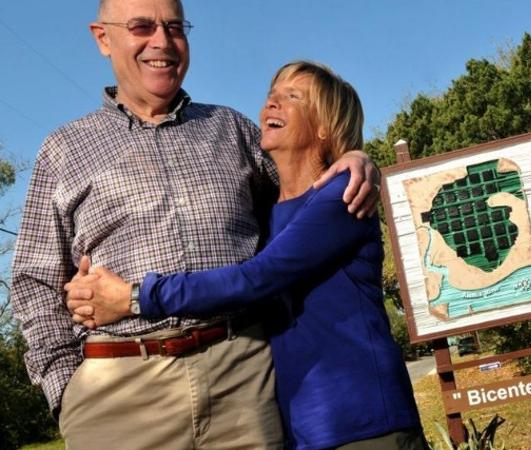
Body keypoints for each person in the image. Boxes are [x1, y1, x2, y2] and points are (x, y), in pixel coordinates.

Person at [10, 0, 380, 448]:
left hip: (243, 379)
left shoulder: (234, 130)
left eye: (174, 27)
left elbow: (301, 201)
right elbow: (35, 280)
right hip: (119, 389)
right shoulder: (63, 149)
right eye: (142, 27)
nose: (162, 42)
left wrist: (353, 157)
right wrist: (65, 389)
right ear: (103, 37)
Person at [67, 61, 426, 450]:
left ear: (325, 127)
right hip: (302, 429)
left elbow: (256, 278)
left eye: (293, 96)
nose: (273, 101)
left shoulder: (341, 196)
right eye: (272, 93)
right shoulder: (267, 213)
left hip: (366, 422)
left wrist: (136, 297)